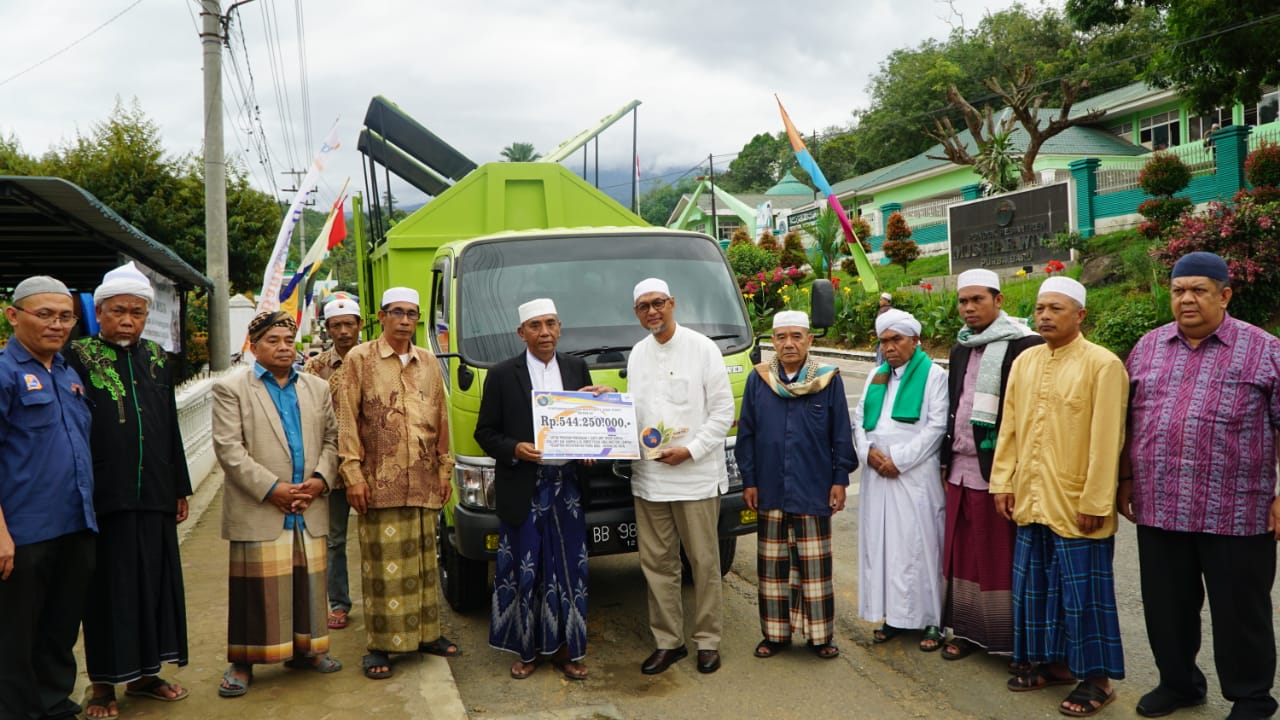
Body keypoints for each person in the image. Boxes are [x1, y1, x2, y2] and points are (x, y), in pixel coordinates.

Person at [1120, 251, 1280, 720]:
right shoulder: (1147, 347)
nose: (1186, 299)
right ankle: (1179, 683)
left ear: (1224, 295)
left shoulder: (1265, 349)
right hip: (1160, 505)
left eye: (1198, 290)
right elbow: (1127, 422)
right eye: (1178, 290)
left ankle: (1251, 697)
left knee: (1241, 615)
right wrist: (1126, 479)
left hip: (1235, 510)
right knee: (1167, 609)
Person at [990, 276, 1127, 717]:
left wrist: (1096, 500)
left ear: (1080, 315)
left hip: (1076, 500)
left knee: (1082, 594)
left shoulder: (1102, 365)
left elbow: (1109, 440)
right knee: (1036, 587)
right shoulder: (1025, 361)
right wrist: (1002, 482)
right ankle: (1056, 665)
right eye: (1040, 308)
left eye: (1056, 309)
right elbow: (1008, 427)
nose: (1045, 316)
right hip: (1030, 496)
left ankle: (1097, 680)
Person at [68, 262, 192, 718]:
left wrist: (180, 486)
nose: (127, 320)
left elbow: (170, 427)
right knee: (107, 592)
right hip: (105, 498)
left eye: (136, 313)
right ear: (99, 312)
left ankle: (146, 675)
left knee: (154, 588)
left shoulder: (158, 358)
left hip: (155, 494)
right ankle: (102, 686)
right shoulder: (76, 357)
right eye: (118, 311)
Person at [475, 298, 612, 681]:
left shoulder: (575, 367)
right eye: (535, 326)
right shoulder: (503, 375)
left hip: (567, 489)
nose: (545, 332)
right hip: (525, 489)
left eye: (550, 324)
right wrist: (515, 449)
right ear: (522, 333)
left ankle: (569, 650)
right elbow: (484, 433)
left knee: (571, 572)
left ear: (560, 327)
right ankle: (528, 652)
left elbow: (587, 422)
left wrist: (594, 427)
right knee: (526, 573)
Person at [211, 310, 342, 698]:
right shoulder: (232, 388)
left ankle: (308, 651)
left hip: (309, 503)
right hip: (262, 505)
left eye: (289, 340)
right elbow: (229, 450)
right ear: (253, 346)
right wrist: (274, 489)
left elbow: (334, 440)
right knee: (255, 593)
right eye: (273, 341)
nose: (283, 348)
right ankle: (243, 663)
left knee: (309, 584)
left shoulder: (317, 388)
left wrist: (319, 481)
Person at [337, 287, 459, 680]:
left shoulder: (427, 362)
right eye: (398, 313)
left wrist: (445, 471)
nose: (406, 321)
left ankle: (427, 635)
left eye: (412, 314)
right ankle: (381, 646)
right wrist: (352, 474)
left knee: (424, 563)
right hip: (379, 481)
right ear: (381, 315)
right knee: (382, 567)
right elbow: (347, 421)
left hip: (423, 479)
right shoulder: (360, 359)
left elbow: (441, 420)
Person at [0, 276, 96, 720]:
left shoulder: (66, 371)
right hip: (23, 532)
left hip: (75, 524)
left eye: (65, 316)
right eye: (45, 315)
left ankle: (55, 704)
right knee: (16, 635)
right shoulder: (4, 373)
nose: (57, 325)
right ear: (13, 315)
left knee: (59, 628)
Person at [627, 277, 734, 675]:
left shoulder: (702, 348)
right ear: (636, 313)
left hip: (696, 477)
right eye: (643, 307)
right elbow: (636, 412)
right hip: (650, 478)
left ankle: (707, 641)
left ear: (673, 302)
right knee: (657, 564)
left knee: (704, 562)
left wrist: (690, 450)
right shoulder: (637, 354)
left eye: (658, 303)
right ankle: (668, 642)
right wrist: (606, 404)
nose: (652, 311)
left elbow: (723, 412)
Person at [736, 310, 856, 660]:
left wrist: (840, 480)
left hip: (813, 485)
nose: (788, 343)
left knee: (814, 566)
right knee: (772, 567)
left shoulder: (827, 379)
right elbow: (747, 434)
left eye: (796, 336)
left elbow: (841, 434)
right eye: (781, 337)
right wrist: (749, 480)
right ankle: (775, 635)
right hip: (770, 486)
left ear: (809, 340)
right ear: (772, 341)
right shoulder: (759, 379)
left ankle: (821, 637)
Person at [938, 268, 1042, 662]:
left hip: (999, 472)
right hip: (961, 469)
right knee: (962, 553)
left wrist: (1013, 473)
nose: (968, 308)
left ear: (999, 301)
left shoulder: (1024, 346)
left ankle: (1010, 640)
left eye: (977, 299)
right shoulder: (962, 346)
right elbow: (955, 405)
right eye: (963, 301)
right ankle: (966, 631)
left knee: (999, 554)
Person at [853, 308, 949, 651]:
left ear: (915, 340)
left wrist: (900, 460)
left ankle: (932, 621)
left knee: (919, 547)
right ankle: (893, 617)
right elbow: (860, 419)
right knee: (884, 548)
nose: (889, 347)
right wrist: (868, 453)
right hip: (878, 477)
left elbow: (937, 426)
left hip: (914, 478)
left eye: (896, 339)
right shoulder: (875, 376)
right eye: (884, 341)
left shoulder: (934, 375)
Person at [302, 294, 362, 632]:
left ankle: (386, 601)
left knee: (378, 537)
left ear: (359, 325)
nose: (343, 331)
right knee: (335, 538)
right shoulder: (315, 367)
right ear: (327, 329)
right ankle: (339, 603)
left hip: (372, 466)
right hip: (332, 467)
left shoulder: (373, 360)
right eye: (336, 325)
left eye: (348, 324)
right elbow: (309, 416)